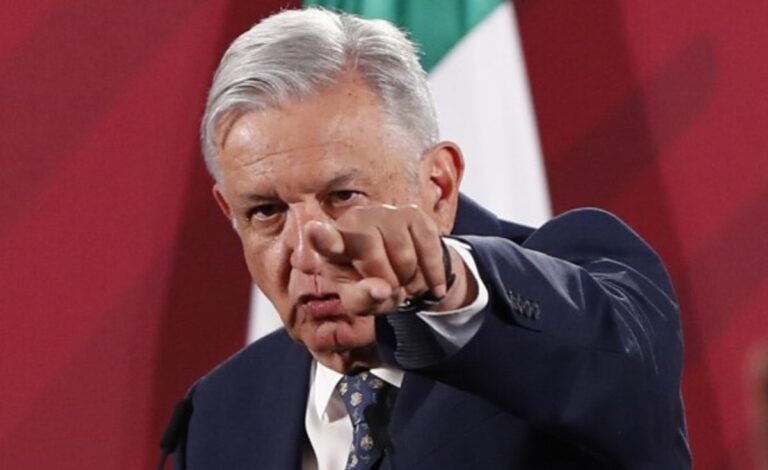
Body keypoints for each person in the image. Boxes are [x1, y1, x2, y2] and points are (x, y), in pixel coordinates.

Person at [169, 8, 690, 469]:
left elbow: (625, 370)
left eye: (344, 196)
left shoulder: (575, 307)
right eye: (266, 212)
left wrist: (448, 282)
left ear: (438, 187)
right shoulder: (221, 414)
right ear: (230, 213)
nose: (307, 252)